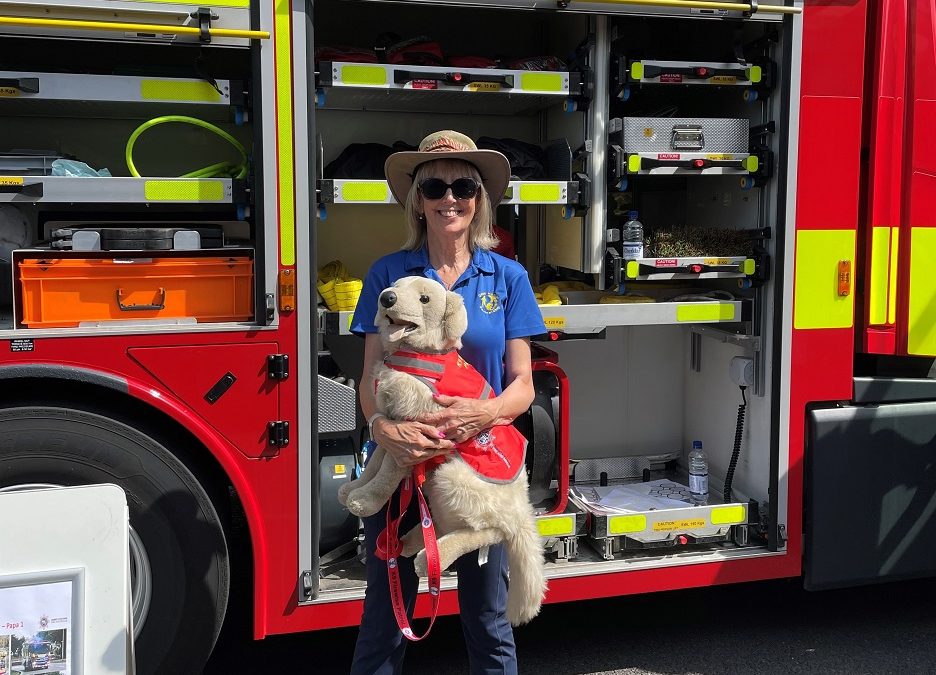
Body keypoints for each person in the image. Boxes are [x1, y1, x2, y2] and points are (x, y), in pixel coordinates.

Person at [348, 130, 546, 675]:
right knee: (385, 617)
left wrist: (483, 412)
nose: (449, 197)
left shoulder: (507, 276)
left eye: (464, 185)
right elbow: (369, 375)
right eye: (434, 185)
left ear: (480, 199)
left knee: (486, 618)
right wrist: (383, 430)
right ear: (418, 200)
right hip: (402, 456)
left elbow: (523, 383)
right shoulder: (388, 273)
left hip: (475, 465)